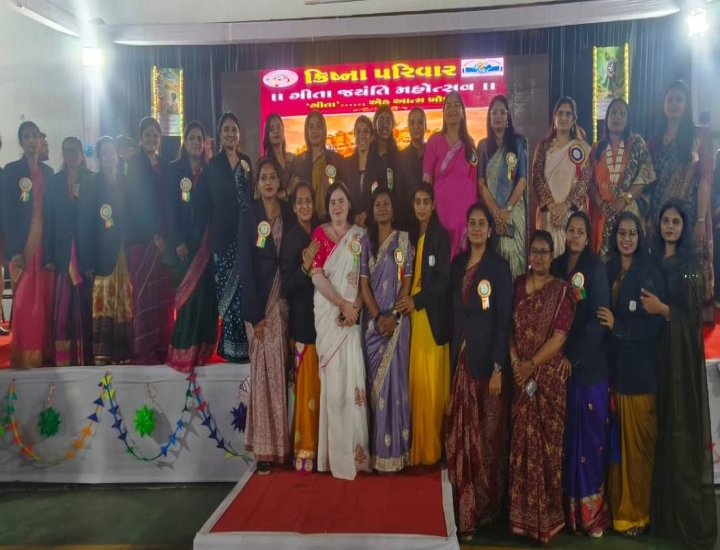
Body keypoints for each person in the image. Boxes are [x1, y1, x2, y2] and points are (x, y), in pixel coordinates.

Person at [643, 199, 717, 549]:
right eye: (665, 221)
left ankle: (684, 519)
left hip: (679, 363)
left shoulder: (690, 266)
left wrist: (664, 310)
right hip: (653, 358)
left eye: (675, 221)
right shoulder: (653, 261)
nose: (669, 227)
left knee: (679, 433)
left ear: (684, 226)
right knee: (657, 433)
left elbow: (691, 320)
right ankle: (661, 516)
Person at [445, 202, 513, 540]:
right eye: (471, 223)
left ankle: (484, 508)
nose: (475, 228)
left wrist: (499, 366)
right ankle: (462, 509)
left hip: (487, 365)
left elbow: (503, 322)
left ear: (490, 230)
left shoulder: (498, 268)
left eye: (481, 223)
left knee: (485, 439)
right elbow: (453, 312)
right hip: (460, 358)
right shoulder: (457, 264)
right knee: (459, 435)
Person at [597, 212, 664, 537]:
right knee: (617, 451)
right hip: (614, 373)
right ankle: (618, 512)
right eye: (622, 233)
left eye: (632, 233)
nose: (626, 239)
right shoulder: (608, 270)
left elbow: (653, 326)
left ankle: (637, 515)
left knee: (637, 451)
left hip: (640, 375)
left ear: (640, 237)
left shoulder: (648, 274)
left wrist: (618, 327)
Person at [508, 230, 575, 544]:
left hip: (547, 382)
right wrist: (514, 362)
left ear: (552, 255)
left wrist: (530, 365)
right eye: (534, 251)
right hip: (520, 378)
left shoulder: (562, 291)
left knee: (547, 453)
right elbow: (508, 327)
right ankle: (521, 520)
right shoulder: (518, 285)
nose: (538, 257)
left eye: (544, 252)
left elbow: (559, 338)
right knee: (520, 449)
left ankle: (546, 521)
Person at [550, 212, 612, 537]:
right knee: (565, 442)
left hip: (588, 368)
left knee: (589, 442)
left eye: (580, 232)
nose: (574, 236)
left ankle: (591, 517)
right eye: (571, 230)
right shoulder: (557, 266)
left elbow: (599, 321)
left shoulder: (595, 268)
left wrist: (572, 357)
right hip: (558, 365)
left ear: (588, 238)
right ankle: (567, 514)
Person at [237, 157, 295, 474]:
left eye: (273, 177)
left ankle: (281, 446)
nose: (269, 182)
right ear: (257, 184)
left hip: (282, 302)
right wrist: (255, 313)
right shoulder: (249, 217)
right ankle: (263, 450)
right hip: (260, 307)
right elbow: (245, 267)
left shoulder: (288, 213)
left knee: (279, 373)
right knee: (262, 375)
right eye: (264, 178)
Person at [310, 182, 370, 480]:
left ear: (349, 204)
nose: (337, 206)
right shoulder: (319, 234)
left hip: (352, 321)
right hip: (330, 317)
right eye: (332, 201)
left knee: (354, 383)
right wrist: (342, 305)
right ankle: (334, 457)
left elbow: (364, 278)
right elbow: (316, 276)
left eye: (341, 201)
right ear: (327, 206)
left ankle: (357, 457)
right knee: (334, 390)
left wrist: (355, 308)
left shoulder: (361, 236)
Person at [647, 81, 714, 323]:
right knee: (662, 272)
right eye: (670, 99)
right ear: (663, 104)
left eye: (679, 99)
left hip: (688, 217)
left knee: (688, 277)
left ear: (686, 105)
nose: (674, 104)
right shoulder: (654, 142)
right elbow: (648, 184)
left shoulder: (698, 138)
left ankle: (687, 329)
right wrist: (648, 219)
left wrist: (701, 220)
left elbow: (704, 180)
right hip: (659, 218)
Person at [359, 186, 413, 472]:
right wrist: (379, 316)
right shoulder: (365, 243)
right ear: (372, 209)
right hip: (373, 326)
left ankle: (397, 454)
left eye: (386, 203)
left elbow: (406, 279)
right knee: (377, 390)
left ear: (393, 209)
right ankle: (380, 454)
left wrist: (394, 315)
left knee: (396, 387)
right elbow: (364, 284)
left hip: (398, 323)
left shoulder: (403, 239)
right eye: (377, 204)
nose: (382, 208)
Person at [396, 183, 450, 466]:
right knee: (415, 381)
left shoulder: (440, 236)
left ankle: (432, 450)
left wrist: (416, 300)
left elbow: (443, 280)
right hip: (411, 316)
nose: (421, 206)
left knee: (431, 384)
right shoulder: (409, 235)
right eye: (417, 201)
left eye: (425, 201)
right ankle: (416, 447)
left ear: (434, 205)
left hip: (430, 315)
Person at [165, 122, 217, 371]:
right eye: (192, 138)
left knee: (204, 299)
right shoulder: (174, 170)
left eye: (200, 139)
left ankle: (202, 353)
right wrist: (177, 241)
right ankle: (182, 352)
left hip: (205, 246)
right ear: (185, 143)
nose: (196, 143)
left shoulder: (209, 171)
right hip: (184, 247)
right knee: (187, 302)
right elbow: (170, 209)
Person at [2, 121, 55, 368]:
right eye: (27, 136)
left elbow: (52, 214)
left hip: (43, 246)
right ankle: (24, 355)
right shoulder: (11, 171)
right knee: (24, 303)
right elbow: (8, 214)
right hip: (23, 249)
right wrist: (15, 251)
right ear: (21, 142)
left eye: (35, 135)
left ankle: (44, 352)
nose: (33, 140)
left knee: (44, 301)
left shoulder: (48, 173)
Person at [78, 137, 133, 365]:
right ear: (99, 157)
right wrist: (86, 261)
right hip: (101, 255)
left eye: (112, 152)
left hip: (125, 253)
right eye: (105, 153)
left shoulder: (126, 182)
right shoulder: (91, 183)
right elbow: (84, 225)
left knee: (125, 300)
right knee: (104, 302)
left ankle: (124, 352)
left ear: (117, 155)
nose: (109, 157)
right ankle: (102, 353)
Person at [125, 116, 173, 365]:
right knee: (144, 296)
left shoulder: (166, 165)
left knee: (163, 296)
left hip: (165, 242)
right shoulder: (133, 166)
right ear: (140, 139)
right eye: (147, 135)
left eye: (155, 134)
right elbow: (136, 203)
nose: (151, 138)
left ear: (160, 139)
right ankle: (144, 349)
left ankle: (163, 345)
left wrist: (166, 237)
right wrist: (155, 235)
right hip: (143, 241)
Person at [281, 181, 321, 474]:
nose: (305, 206)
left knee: (322, 391)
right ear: (294, 207)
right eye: (301, 202)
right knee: (306, 391)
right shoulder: (291, 239)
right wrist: (305, 267)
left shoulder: (320, 233)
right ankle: (305, 449)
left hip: (325, 323)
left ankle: (323, 447)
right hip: (303, 324)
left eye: (309, 201)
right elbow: (285, 285)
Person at [207, 112, 253, 362]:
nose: (230, 134)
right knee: (227, 293)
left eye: (234, 129)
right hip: (224, 238)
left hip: (245, 236)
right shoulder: (214, 165)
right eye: (226, 129)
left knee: (244, 291)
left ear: (239, 134)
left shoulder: (246, 162)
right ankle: (227, 348)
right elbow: (215, 200)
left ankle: (244, 346)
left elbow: (251, 196)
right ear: (220, 134)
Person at [44, 136, 94, 366]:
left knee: (84, 306)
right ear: (63, 155)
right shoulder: (54, 182)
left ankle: (85, 356)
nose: (71, 155)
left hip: (85, 253)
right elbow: (48, 221)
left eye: (75, 150)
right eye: (67, 151)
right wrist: (48, 255)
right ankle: (64, 359)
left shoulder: (91, 180)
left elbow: (95, 220)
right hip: (63, 252)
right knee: (63, 308)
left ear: (82, 154)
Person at [589, 98, 656, 260]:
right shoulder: (596, 149)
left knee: (630, 262)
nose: (617, 117)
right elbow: (588, 183)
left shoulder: (637, 144)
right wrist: (602, 203)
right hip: (602, 215)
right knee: (603, 264)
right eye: (613, 113)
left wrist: (624, 199)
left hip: (629, 214)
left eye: (622, 114)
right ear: (606, 118)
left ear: (628, 120)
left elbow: (645, 176)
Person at [477, 95, 529, 279]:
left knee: (514, 257)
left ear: (508, 117)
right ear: (489, 118)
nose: (498, 116)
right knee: (494, 261)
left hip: (514, 211)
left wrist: (507, 210)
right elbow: (481, 183)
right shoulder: (483, 146)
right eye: (494, 113)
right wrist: (496, 213)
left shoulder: (519, 142)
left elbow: (522, 180)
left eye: (502, 112)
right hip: (491, 213)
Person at [532, 96, 591, 257]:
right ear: (554, 117)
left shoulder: (583, 148)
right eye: (560, 113)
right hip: (548, 215)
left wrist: (565, 207)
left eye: (568, 114)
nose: (564, 117)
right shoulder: (544, 147)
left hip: (573, 214)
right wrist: (553, 207)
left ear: (574, 119)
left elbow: (584, 181)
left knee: (573, 258)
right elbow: (537, 178)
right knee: (547, 259)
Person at [423, 92, 478, 258]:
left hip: (464, 216)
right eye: (448, 106)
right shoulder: (434, 141)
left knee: (462, 262)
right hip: (441, 214)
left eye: (456, 105)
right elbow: (427, 180)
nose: (452, 109)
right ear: (443, 112)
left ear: (463, 112)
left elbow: (473, 180)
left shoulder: (470, 143)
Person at [291, 110, 345, 220]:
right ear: (306, 131)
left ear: (324, 129)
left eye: (318, 126)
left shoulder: (337, 160)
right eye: (311, 127)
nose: (315, 131)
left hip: (333, 220)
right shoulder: (298, 162)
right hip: (307, 220)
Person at [343, 115, 387, 227]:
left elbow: (383, 195)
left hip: (373, 224)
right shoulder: (345, 164)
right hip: (350, 224)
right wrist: (353, 217)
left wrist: (367, 215)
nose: (362, 135)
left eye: (366, 131)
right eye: (358, 132)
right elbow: (343, 196)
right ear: (354, 135)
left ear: (371, 136)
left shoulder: (380, 164)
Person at [395, 107, 426, 230]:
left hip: (431, 220)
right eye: (412, 123)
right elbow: (399, 194)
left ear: (425, 126)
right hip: (408, 221)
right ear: (408, 127)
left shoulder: (434, 154)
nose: (416, 126)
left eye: (420, 122)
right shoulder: (400, 157)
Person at [262, 114, 295, 198]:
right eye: (271, 129)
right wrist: (287, 192)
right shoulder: (263, 163)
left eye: (278, 127)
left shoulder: (293, 159)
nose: (276, 131)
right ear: (267, 135)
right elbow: (263, 198)